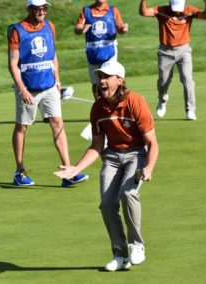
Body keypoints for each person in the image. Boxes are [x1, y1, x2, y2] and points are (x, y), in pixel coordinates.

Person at [54, 61, 159, 271]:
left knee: (128, 194)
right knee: (107, 204)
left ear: (119, 81)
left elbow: (152, 143)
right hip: (111, 157)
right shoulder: (97, 108)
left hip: (136, 154)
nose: (102, 80)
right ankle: (119, 255)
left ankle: (137, 245)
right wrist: (76, 169)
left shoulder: (135, 102)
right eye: (100, 76)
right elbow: (96, 146)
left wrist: (148, 169)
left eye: (107, 77)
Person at [7, 0, 88, 187]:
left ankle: (68, 171)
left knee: (57, 122)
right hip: (27, 87)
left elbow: (53, 56)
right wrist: (22, 89)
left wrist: (58, 81)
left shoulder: (50, 26)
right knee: (22, 127)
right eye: (38, 8)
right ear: (29, 9)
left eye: (44, 8)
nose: (42, 11)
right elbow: (12, 64)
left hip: (49, 85)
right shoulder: (17, 30)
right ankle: (19, 171)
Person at [139, 0, 206, 120]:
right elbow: (143, 12)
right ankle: (162, 100)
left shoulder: (189, 11)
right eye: (175, 7)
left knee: (187, 79)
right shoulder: (161, 10)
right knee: (163, 81)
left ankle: (190, 110)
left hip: (184, 50)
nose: (177, 11)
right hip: (165, 51)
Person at [74, 0, 128, 98]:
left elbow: (120, 28)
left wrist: (123, 29)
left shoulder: (113, 10)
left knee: (111, 78)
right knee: (95, 82)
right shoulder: (86, 11)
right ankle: (99, 106)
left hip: (109, 52)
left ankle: (114, 103)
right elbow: (77, 28)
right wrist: (81, 29)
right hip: (92, 53)